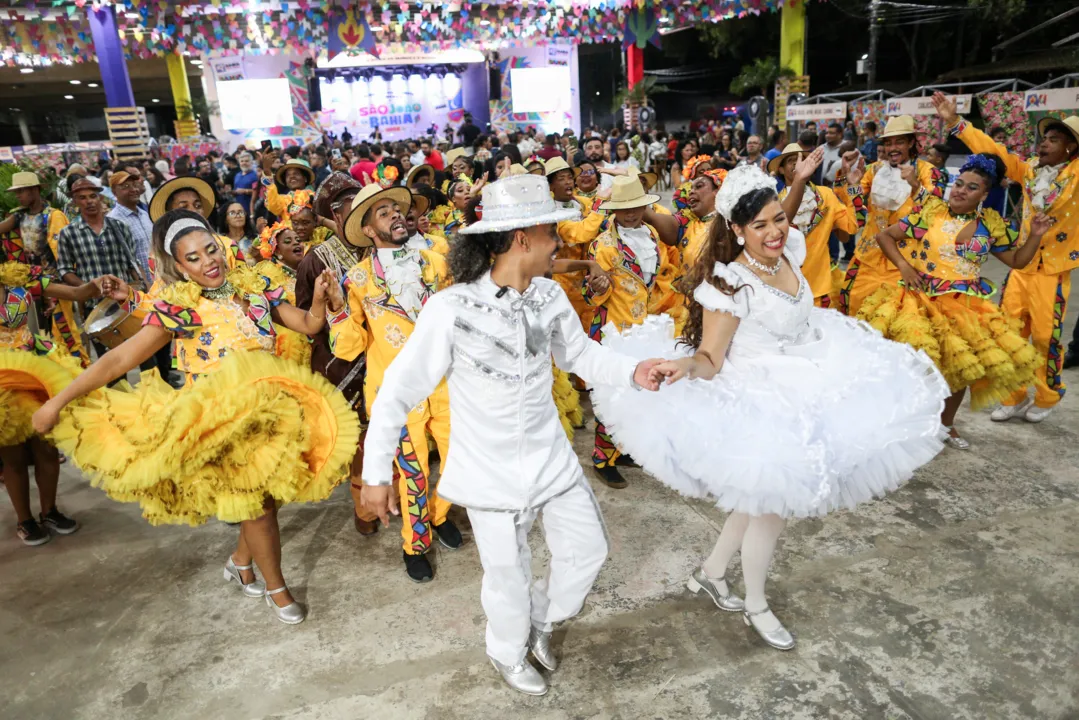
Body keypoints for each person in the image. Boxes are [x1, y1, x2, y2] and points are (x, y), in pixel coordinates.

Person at [589, 164, 949, 651]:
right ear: (736, 230)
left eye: (779, 218)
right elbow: (711, 359)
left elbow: (794, 275)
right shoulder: (728, 285)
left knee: (755, 499)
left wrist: (796, 185)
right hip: (759, 399)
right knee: (770, 504)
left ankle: (713, 573)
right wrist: (682, 367)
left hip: (808, 377)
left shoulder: (790, 250)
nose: (775, 231)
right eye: (759, 225)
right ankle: (755, 604)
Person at [358, 173, 665, 695]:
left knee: (588, 549)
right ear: (522, 238)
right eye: (552, 233)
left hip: (551, 456)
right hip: (489, 469)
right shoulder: (450, 310)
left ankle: (543, 621)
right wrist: (373, 476)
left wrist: (632, 371)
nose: (560, 243)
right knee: (507, 574)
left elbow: (580, 356)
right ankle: (507, 649)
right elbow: (396, 392)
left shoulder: (548, 295)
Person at [32, 209, 356, 625]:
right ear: (178, 267)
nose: (209, 262)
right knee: (257, 508)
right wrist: (56, 401)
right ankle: (277, 588)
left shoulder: (252, 288)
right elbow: (118, 361)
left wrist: (317, 302)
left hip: (270, 411)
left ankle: (241, 561)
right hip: (217, 425)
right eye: (195, 258)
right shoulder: (180, 307)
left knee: (265, 499)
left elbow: (307, 326)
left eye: (211, 250)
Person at [863, 153, 1052, 447]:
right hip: (919, 300)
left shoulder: (991, 224)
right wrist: (903, 265)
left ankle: (946, 426)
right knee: (914, 366)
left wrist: (1036, 236)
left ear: (985, 194)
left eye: (971, 187)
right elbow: (886, 236)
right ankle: (903, 421)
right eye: (959, 184)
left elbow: (1017, 261)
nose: (961, 190)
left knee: (958, 371)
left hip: (966, 306)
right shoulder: (931, 212)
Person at [326, 182, 461, 582]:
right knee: (413, 473)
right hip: (397, 395)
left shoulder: (436, 262)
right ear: (368, 230)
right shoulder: (357, 279)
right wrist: (335, 307)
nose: (395, 216)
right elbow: (348, 347)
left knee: (463, 460)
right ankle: (414, 543)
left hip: (447, 384)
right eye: (383, 213)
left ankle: (439, 515)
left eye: (396, 209)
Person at [933, 92, 1079, 423]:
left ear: (1071, 148)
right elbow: (995, 151)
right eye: (1043, 139)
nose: (1043, 145)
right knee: (1011, 331)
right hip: (1021, 266)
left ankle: (1047, 394)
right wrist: (956, 122)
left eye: (1054, 140)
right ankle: (1013, 394)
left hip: (1053, 271)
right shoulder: (1029, 171)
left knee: (1045, 336)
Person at [584, 175, 685, 488]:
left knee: (639, 393)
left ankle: (623, 448)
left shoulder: (652, 233)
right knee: (612, 394)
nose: (631, 213)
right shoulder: (602, 246)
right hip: (615, 329)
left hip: (645, 327)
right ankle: (602, 458)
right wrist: (598, 287)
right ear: (614, 210)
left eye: (636, 206)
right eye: (624, 208)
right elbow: (591, 296)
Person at [295, 172, 379, 536]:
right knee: (360, 440)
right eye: (351, 209)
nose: (361, 216)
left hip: (386, 356)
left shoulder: (381, 246)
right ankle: (366, 511)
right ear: (336, 214)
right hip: (343, 363)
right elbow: (305, 318)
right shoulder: (316, 259)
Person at [0, 261, 104, 545]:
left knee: (47, 448)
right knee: (14, 457)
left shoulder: (18, 277)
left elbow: (78, 293)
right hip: (3, 386)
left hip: (37, 373)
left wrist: (95, 286)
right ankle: (24, 520)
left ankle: (50, 511)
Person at [838, 114, 945, 317]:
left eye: (899, 142)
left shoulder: (928, 173)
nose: (892, 148)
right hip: (867, 260)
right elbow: (858, 215)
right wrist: (849, 183)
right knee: (853, 313)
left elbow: (937, 214)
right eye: (888, 143)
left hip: (906, 265)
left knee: (897, 323)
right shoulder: (873, 170)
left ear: (912, 142)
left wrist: (915, 184)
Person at [0, 172, 86, 362]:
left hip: (56, 285)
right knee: (42, 336)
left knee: (66, 333)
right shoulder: (19, 216)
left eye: (21, 191)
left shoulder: (53, 216)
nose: (18, 196)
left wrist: (63, 286)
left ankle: (82, 371)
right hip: (32, 284)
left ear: (34, 190)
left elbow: (64, 254)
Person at [771, 145, 855, 308]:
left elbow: (849, 230)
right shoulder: (773, 203)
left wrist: (851, 186)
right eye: (791, 161)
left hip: (820, 287)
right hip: (785, 288)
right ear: (781, 170)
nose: (798, 164)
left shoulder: (826, 195)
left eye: (801, 159)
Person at [544, 157, 608, 330]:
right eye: (561, 178)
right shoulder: (551, 215)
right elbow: (581, 233)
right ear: (550, 186)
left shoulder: (581, 203)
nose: (568, 182)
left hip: (587, 281)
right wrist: (600, 204)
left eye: (570, 177)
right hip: (563, 283)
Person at [107, 165, 155, 284]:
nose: (133, 189)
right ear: (114, 191)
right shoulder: (112, 221)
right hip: (141, 289)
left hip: (160, 284)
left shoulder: (145, 214)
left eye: (134, 185)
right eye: (126, 187)